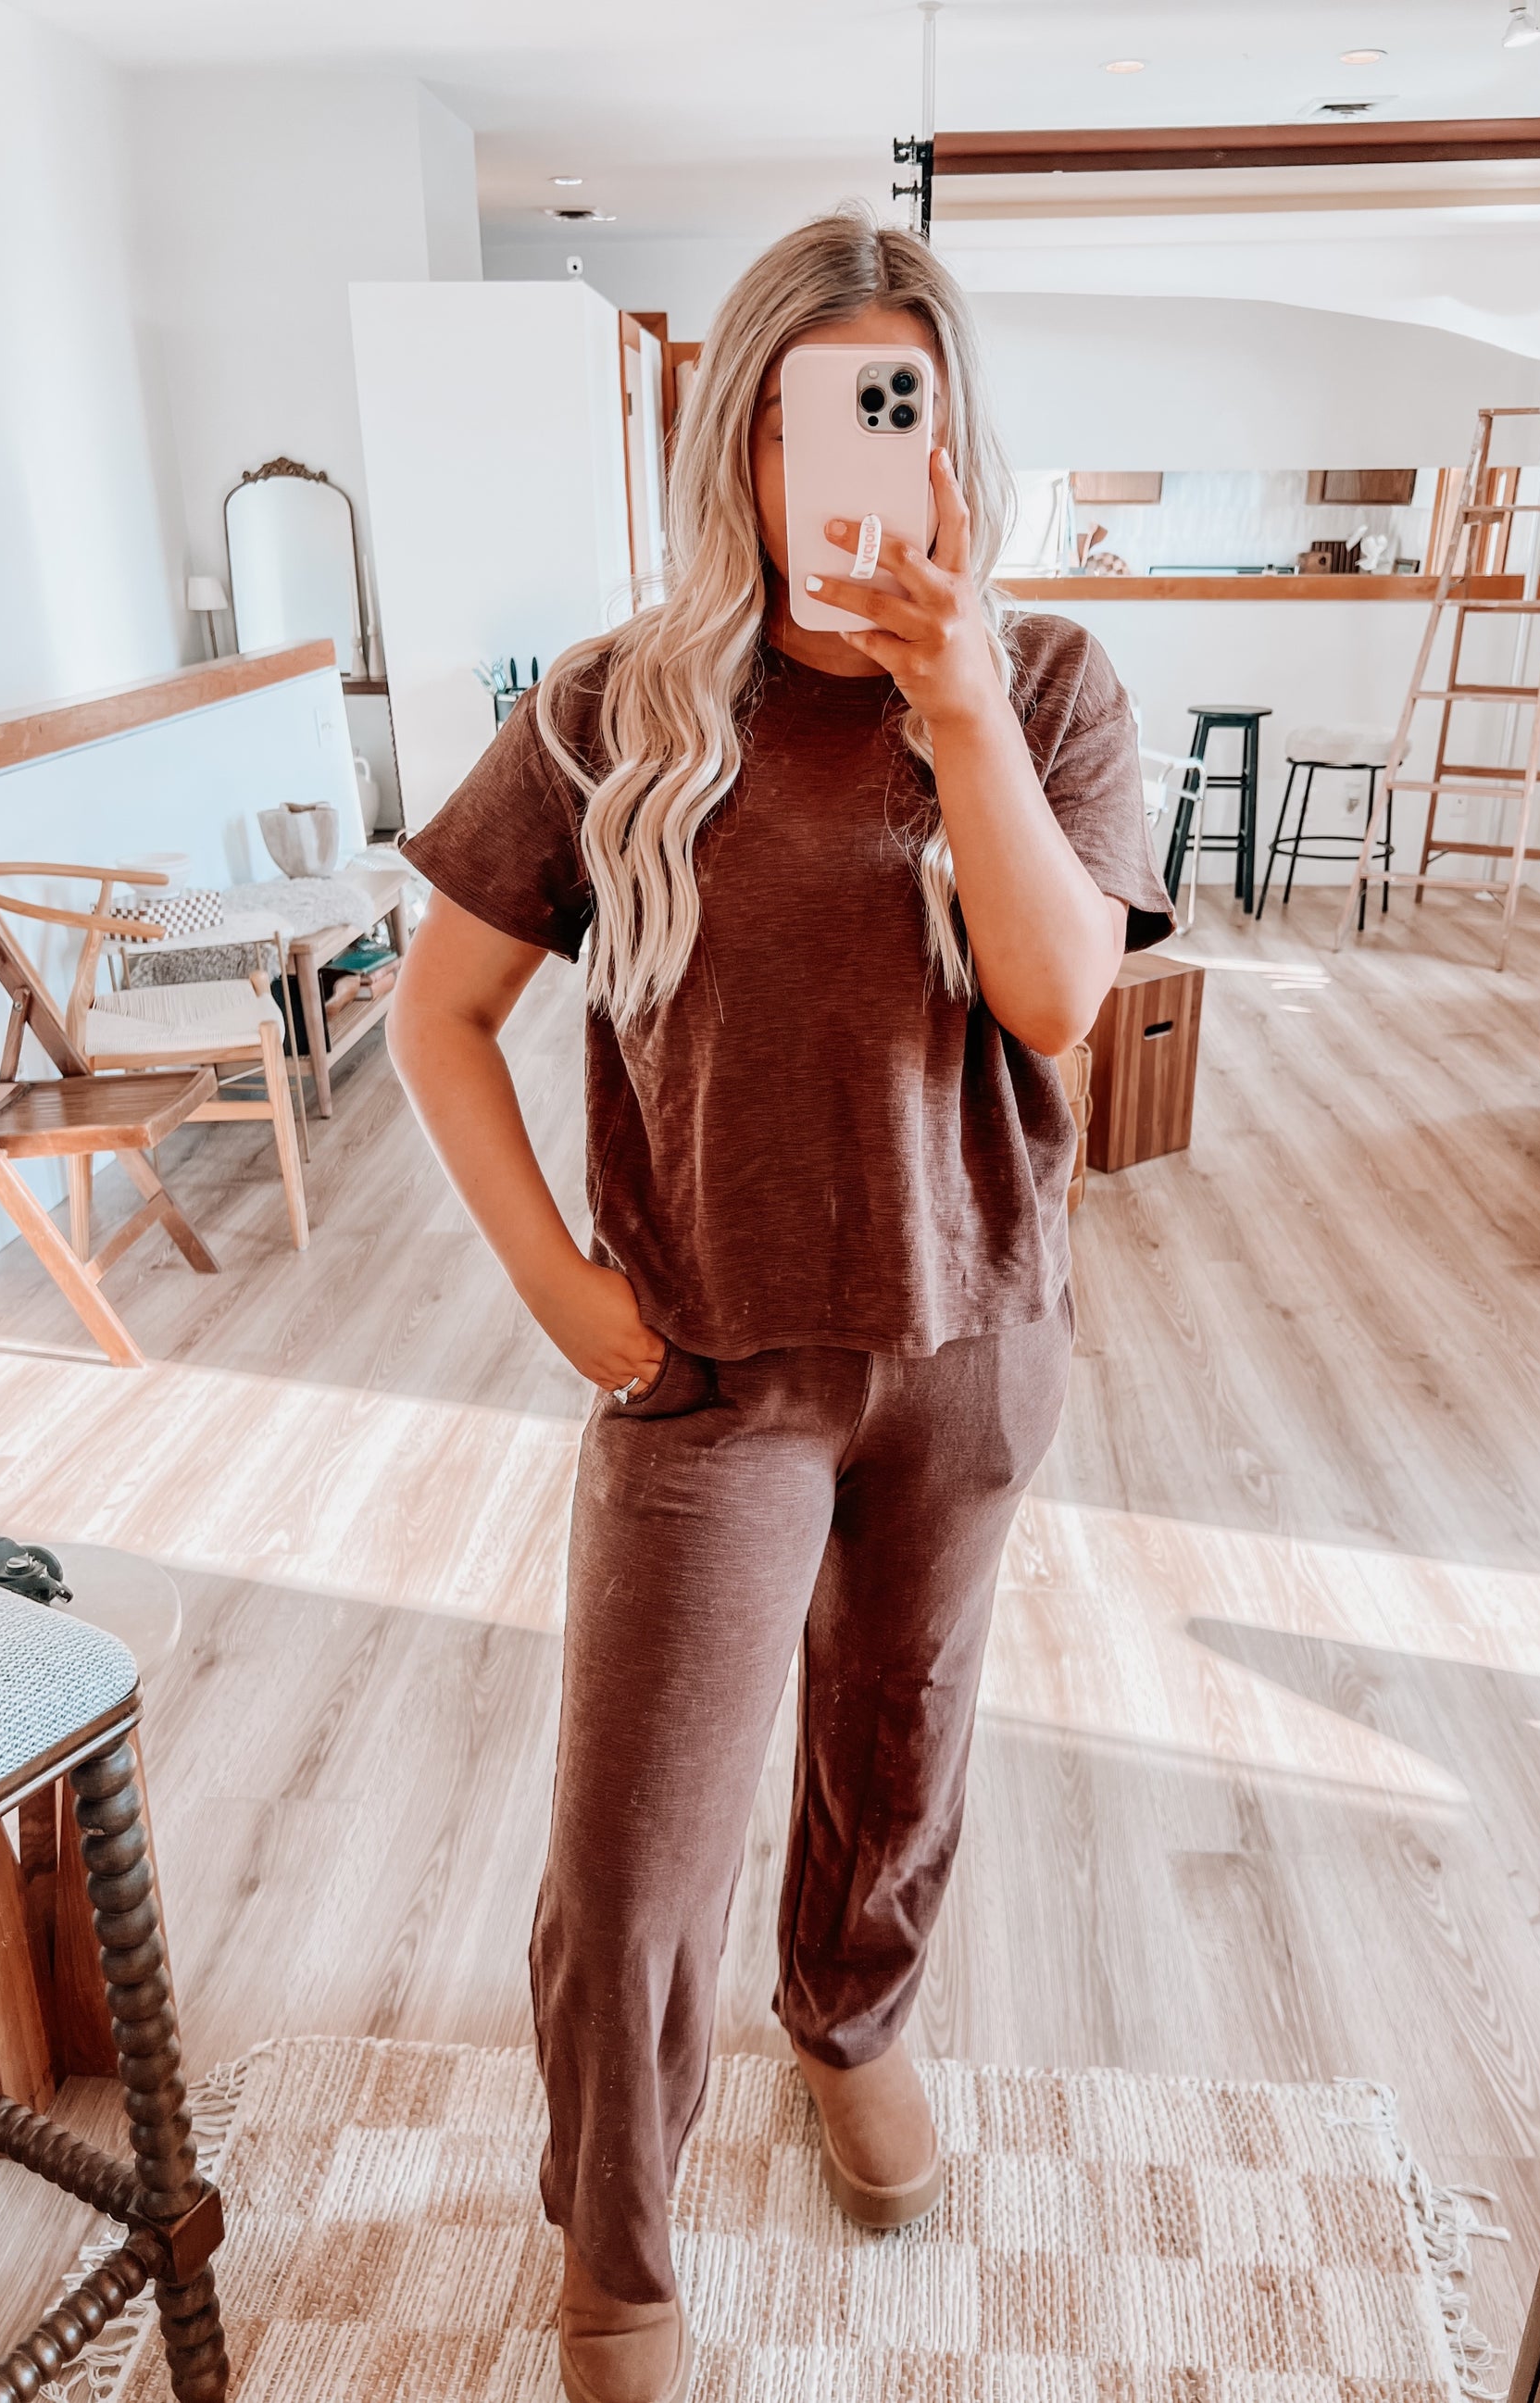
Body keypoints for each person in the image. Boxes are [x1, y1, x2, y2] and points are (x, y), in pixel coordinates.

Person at [389, 207, 1171, 2403]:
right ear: (735, 436)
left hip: (969, 1339)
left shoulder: (1047, 685)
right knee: (632, 1852)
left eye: (896, 411)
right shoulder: (609, 708)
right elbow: (439, 1014)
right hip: (708, 1366)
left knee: (897, 1742)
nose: (847, 462)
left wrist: (954, 705)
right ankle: (618, 2239)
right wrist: (554, 1280)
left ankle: (849, 2021)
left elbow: (1055, 996)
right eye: (806, 416)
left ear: (952, 441)